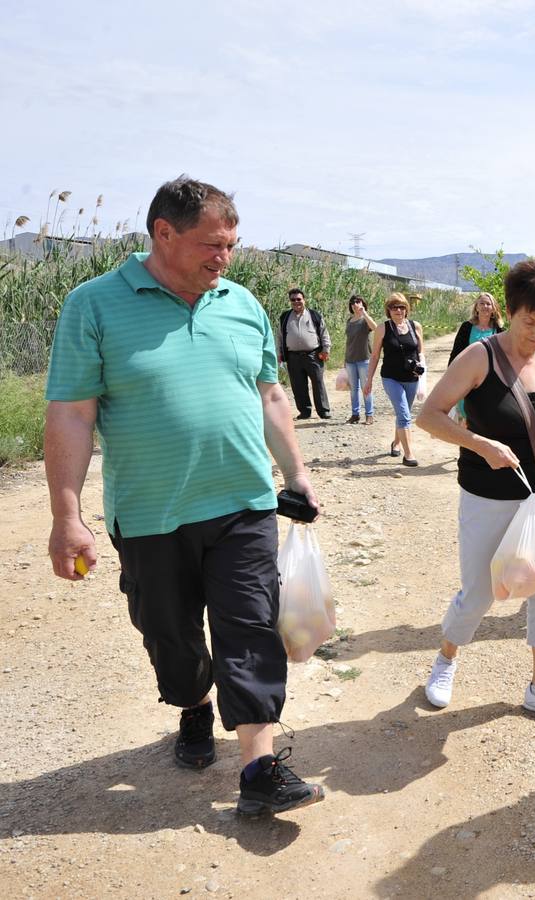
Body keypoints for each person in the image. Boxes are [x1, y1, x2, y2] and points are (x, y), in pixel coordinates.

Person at [43, 176, 326, 817]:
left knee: (251, 627)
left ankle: (259, 767)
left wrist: (296, 473)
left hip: (242, 503)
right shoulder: (94, 305)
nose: (223, 258)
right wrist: (68, 516)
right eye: (210, 245)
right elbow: (71, 416)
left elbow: (270, 395)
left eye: (230, 245)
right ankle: (194, 705)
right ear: (163, 234)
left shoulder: (242, 303)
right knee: (169, 633)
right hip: (150, 512)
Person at [415, 259, 535, 726]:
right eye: (528, 321)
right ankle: (446, 660)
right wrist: (479, 443)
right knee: (480, 592)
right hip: (487, 496)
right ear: (509, 312)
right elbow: (429, 416)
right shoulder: (479, 356)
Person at [364, 293, 424, 466]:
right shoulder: (383, 328)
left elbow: (421, 352)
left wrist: (421, 370)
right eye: (394, 307)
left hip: (411, 378)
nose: (398, 310)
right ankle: (409, 454)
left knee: (402, 413)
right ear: (388, 310)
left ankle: (396, 442)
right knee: (404, 414)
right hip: (391, 377)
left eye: (402, 307)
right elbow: (375, 356)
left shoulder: (416, 326)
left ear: (407, 309)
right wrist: (369, 381)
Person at [278, 287, 332, 420]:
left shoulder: (314, 315)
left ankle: (323, 411)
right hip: (293, 357)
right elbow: (279, 336)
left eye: (299, 299)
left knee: (318, 383)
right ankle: (305, 411)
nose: (296, 302)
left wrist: (326, 350)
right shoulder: (285, 317)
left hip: (313, 355)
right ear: (290, 301)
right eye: (293, 300)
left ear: (304, 300)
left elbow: (324, 333)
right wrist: (279, 353)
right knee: (298, 385)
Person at [449, 292, 504, 421]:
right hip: (467, 377)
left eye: (488, 304)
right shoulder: (467, 327)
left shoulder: (499, 329)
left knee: (486, 413)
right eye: (482, 303)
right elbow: (456, 352)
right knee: (466, 413)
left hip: (490, 378)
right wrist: (451, 375)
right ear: (476, 307)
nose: (485, 306)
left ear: (493, 308)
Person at [343, 295, 377, 424]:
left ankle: (369, 414)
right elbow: (349, 341)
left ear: (363, 303)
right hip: (350, 359)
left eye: (358, 301)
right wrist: (344, 360)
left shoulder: (365, 320)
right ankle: (355, 414)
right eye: (352, 302)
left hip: (364, 359)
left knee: (366, 388)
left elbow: (375, 328)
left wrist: (364, 313)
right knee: (353, 389)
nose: (354, 304)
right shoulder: (349, 320)